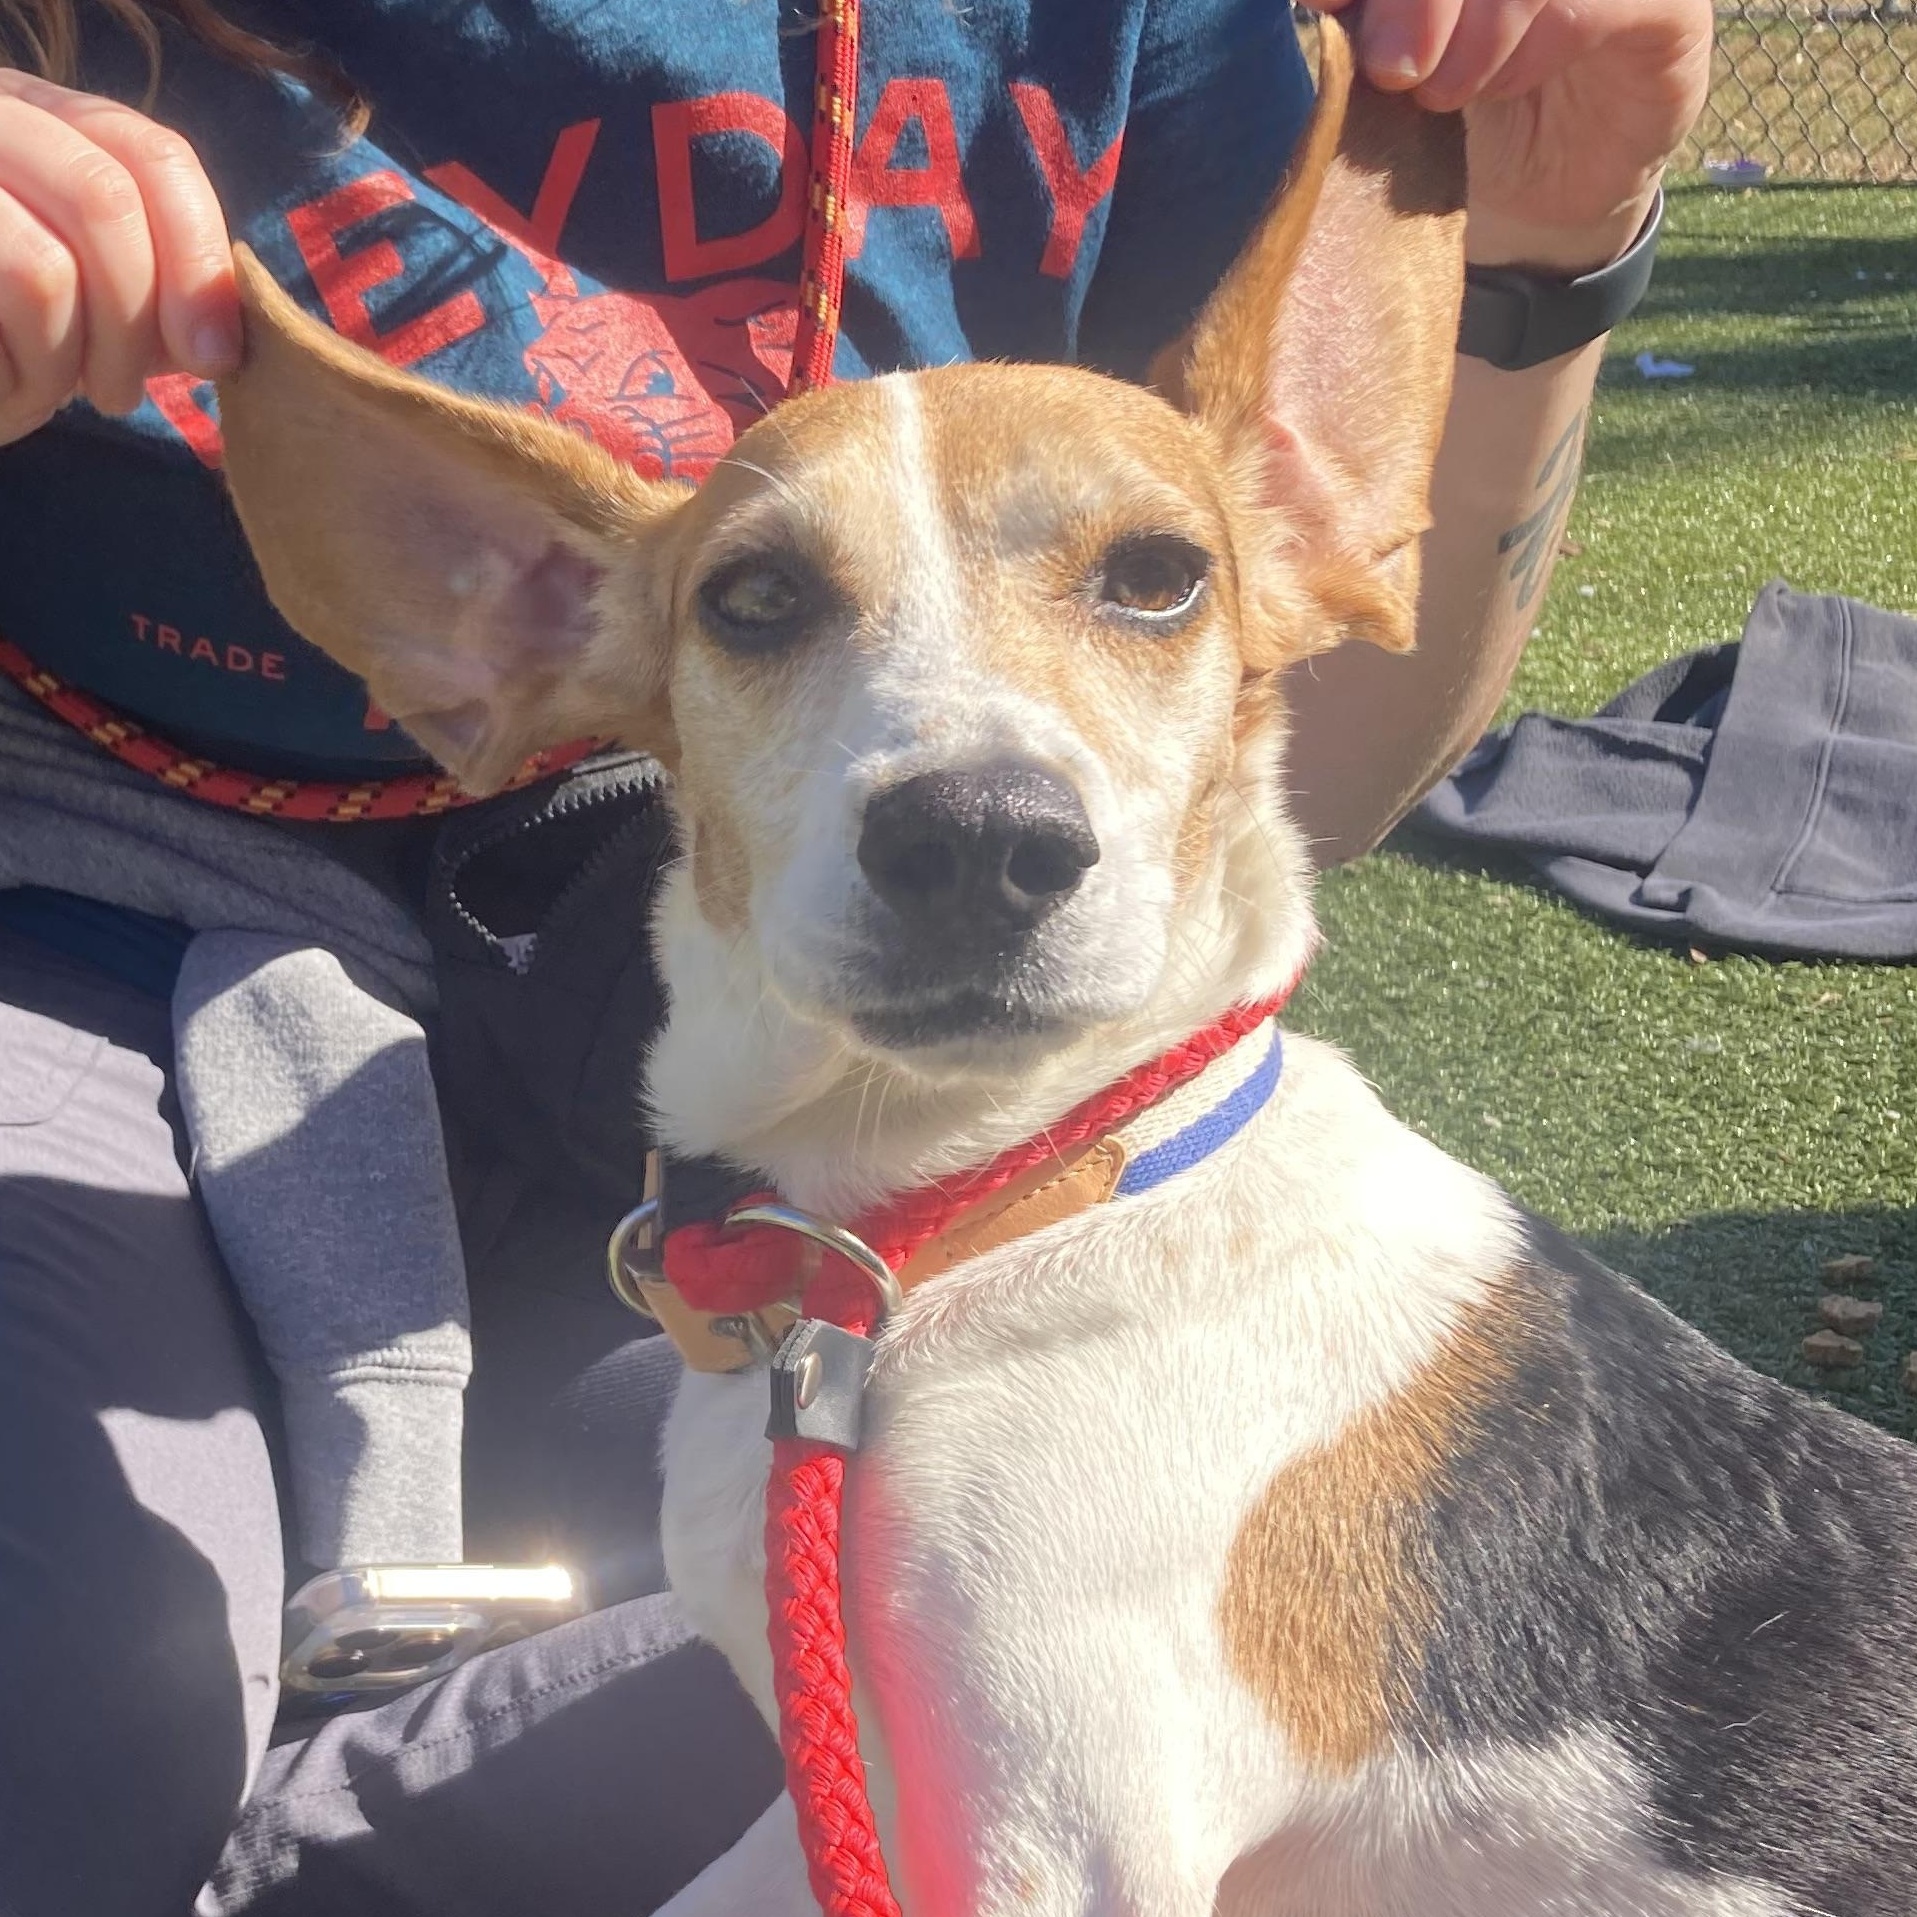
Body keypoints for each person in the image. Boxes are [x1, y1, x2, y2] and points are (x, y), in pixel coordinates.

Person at [0, 0, 1711, 1911]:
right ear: (492, 613)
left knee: (895, 1616)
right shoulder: (547, 607)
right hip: (88, 896)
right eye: (765, 599)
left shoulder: (1174, 42)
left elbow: (1336, 688)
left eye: (1141, 577)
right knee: (63, 1755)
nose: (986, 804)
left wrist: (1547, 246)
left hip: (708, 1050)